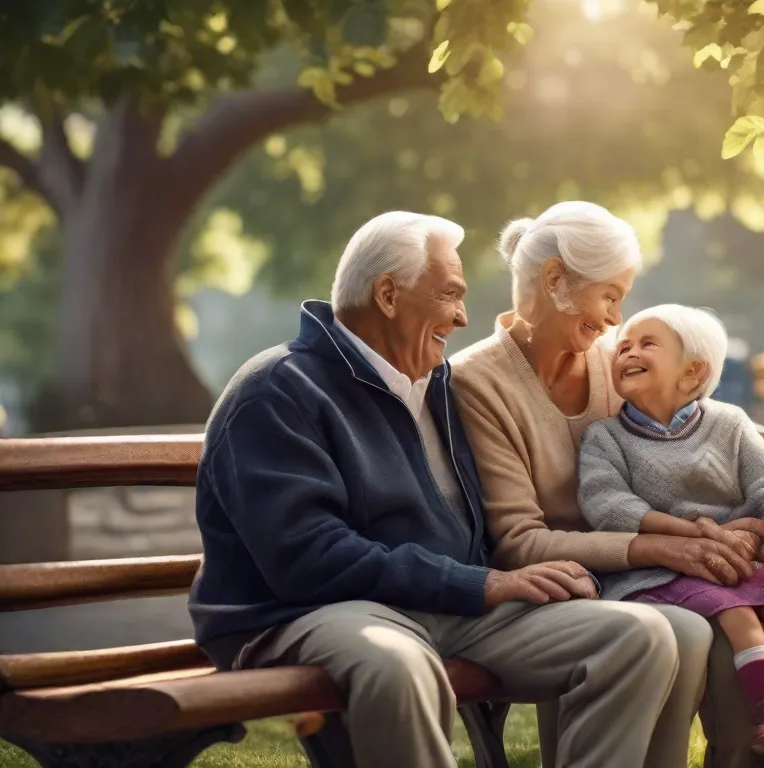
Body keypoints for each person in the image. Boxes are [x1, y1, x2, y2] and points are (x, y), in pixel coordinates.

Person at [188, 210, 695, 768]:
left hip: (445, 605)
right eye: (449, 296)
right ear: (387, 295)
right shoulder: (277, 392)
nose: (460, 317)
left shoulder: (435, 385)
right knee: (395, 665)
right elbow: (307, 560)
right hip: (313, 610)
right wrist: (482, 583)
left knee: (639, 637)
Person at [451, 201, 764, 768]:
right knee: (680, 629)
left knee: (704, 627)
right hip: (562, 585)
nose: (615, 320)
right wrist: (668, 547)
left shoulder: (617, 361)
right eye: (609, 295)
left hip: (650, 576)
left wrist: (749, 522)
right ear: (555, 280)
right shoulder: (477, 381)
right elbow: (518, 542)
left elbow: (698, 424)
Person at [576, 304, 764, 758]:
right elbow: (607, 504)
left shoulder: (730, 423)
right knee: (738, 618)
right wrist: (691, 533)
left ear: (692, 371)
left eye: (647, 344)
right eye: (623, 346)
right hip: (665, 572)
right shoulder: (605, 438)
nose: (627, 352)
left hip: (743, 561)